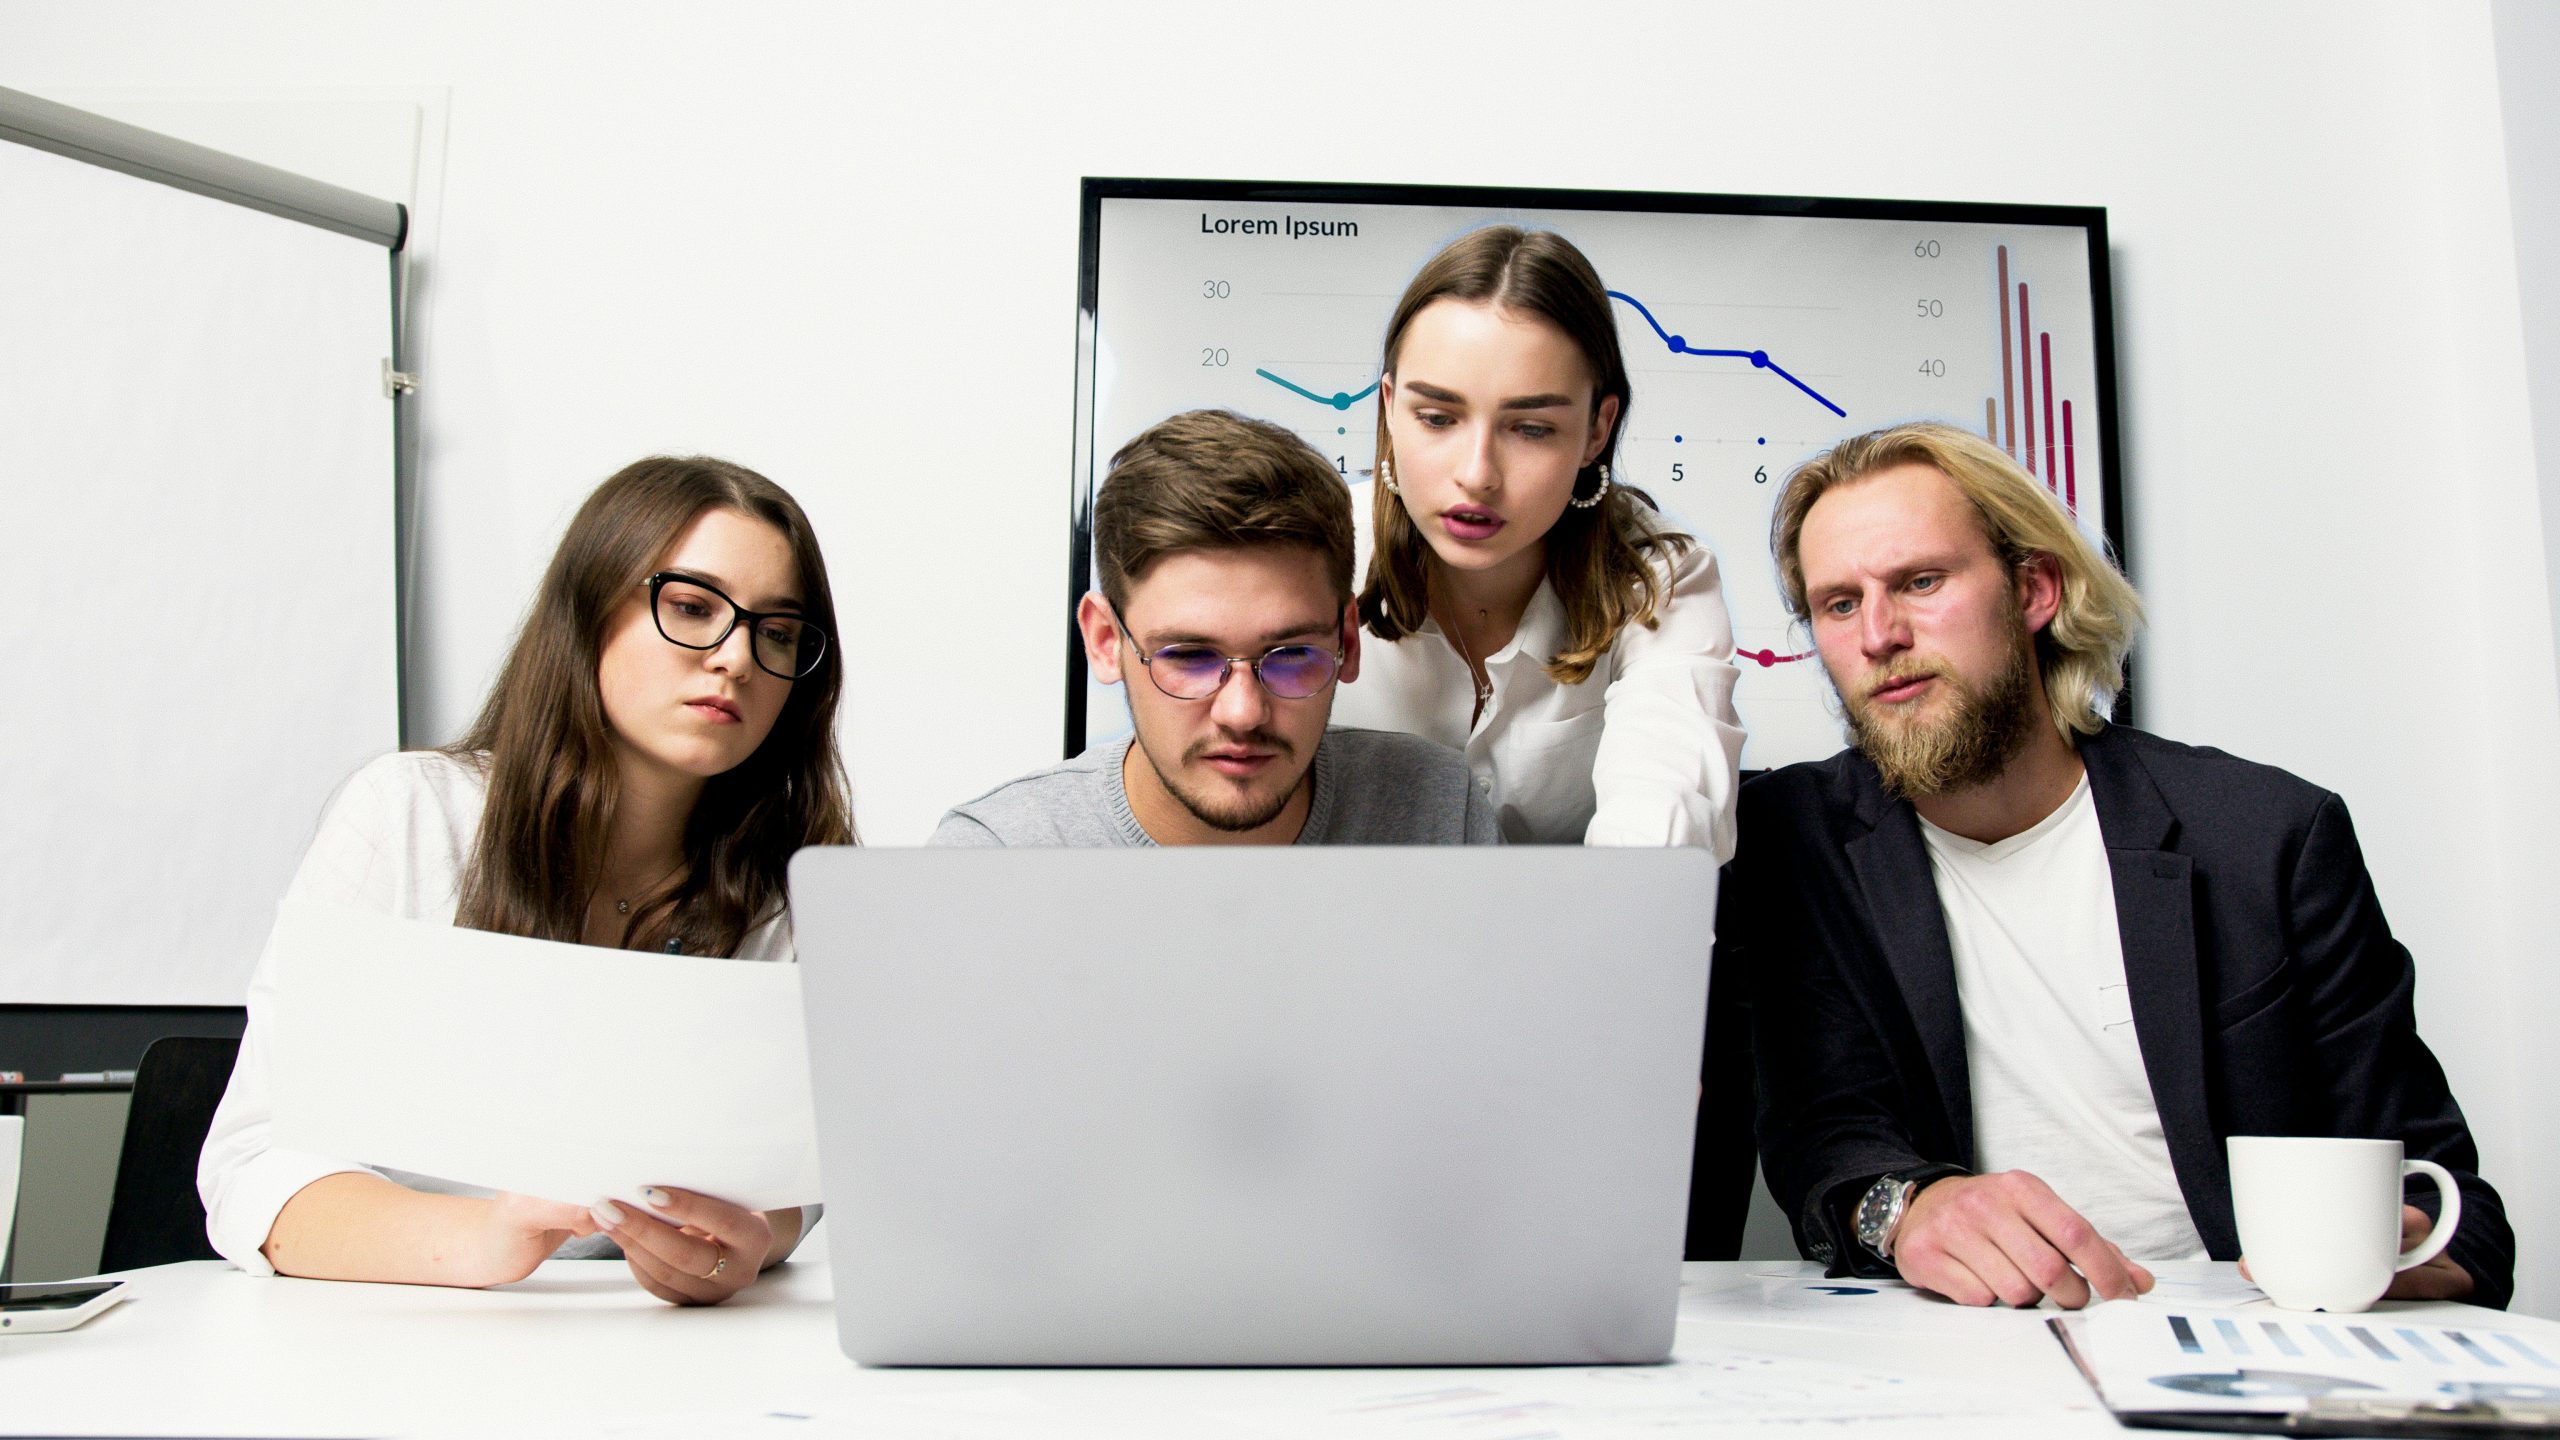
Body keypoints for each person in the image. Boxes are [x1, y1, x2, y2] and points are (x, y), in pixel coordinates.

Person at [1738, 421, 2514, 1309]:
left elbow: (2458, 1213)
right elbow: (1825, 1136)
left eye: (1920, 581)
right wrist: (1911, 1209)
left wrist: (2380, 1254)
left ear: (2033, 589)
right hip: (1967, 1341)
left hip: (2245, 1339)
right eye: (1839, 603)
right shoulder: (1791, 841)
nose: (1878, 634)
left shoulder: (2267, 837)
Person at [199, 456, 854, 1306]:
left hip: (668, 1373)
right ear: (588, 612)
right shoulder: (411, 816)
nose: (735, 659)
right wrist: (488, 1240)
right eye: (692, 608)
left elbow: (786, 1181)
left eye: (777, 633)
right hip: (390, 1356)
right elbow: (256, 1170)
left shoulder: (788, 891)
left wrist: (755, 1240)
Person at [1328, 225, 1746, 853]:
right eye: (1437, 418)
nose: (1477, 473)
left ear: (1598, 429)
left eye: (1530, 428)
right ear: (1389, 407)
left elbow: (1663, 842)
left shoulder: (1660, 576)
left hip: (1581, 943)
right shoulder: (1314, 552)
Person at [934, 409, 1498, 848]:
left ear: (1347, 642)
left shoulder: (1440, 813)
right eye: (1189, 656)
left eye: (1292, 653)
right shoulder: (995, 858)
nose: (1243, 713)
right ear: (1106, 641)